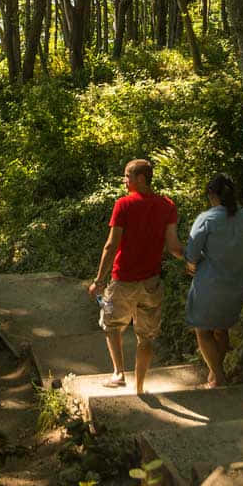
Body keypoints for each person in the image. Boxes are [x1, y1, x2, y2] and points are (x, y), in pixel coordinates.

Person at [88, 158, 184, 393]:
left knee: (111, 324)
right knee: (146, 336)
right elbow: (173, 247)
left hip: (123, 280)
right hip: (151, 282)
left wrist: (99, 281)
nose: (124, 180)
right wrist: (193, 261)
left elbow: (111, 246)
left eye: (127, 176)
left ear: (140, 178)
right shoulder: (167, 205)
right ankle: (140, 387)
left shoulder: (124, 205)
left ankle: (119, 373)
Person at [185, 174, 243, 388]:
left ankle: (218, 376)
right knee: (222, 329)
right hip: (237, 283)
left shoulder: (207, 219)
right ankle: (215, 375)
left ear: (211, 195)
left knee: (203, 330)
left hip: (209, 283)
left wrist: (192, 266)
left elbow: (191, 253)